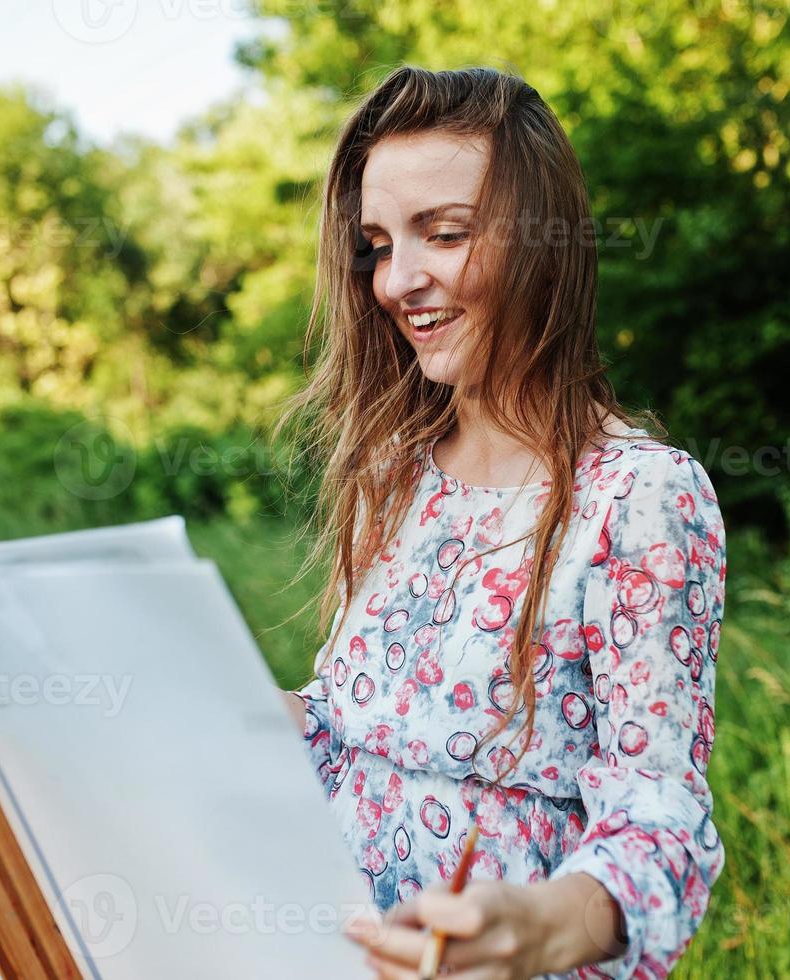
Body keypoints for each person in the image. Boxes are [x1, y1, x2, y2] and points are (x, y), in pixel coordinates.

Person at [272, 65, 727, 979]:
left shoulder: (637, 497)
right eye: (375, 245)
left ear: (542, 244)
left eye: (442, 233)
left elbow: (660, 816)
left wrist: (543, 923)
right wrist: (196, 705)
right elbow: (344, 733)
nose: (398, 279)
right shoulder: (389, 476)